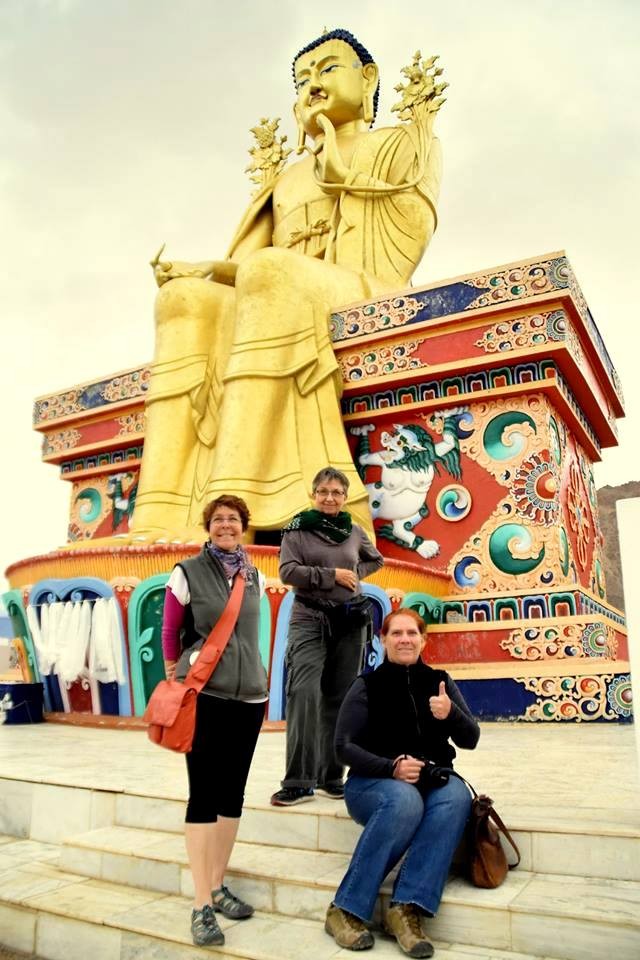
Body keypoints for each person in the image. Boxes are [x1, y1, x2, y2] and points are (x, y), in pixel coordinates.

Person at [129, 28, 444, 543]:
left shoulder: (402, 143)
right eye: (302, 79)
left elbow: (410, 235)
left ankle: (232, 505)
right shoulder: (288, 177)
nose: (312, 85)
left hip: (365, 284)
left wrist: (341, 176)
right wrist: (204, 270)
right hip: (281, 290)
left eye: (327, 70)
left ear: (368, 80)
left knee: (273, 272)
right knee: (181, 300)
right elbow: (249, 266)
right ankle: (160, 514)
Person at [325, 609, 480, 958]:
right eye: (397, 633)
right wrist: (390, 767)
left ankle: (406, 908)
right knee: (405, 800)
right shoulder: (367, 685)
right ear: (383, 639)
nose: (405, 639)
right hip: (373, 783)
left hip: (432, 778)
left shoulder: (439, 682)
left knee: (455, 796)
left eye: (412, 633)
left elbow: (471, 738)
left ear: (423, 640)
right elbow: (342, 746)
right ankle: (345, 909)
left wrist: (450, 713)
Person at [161, 495, 267, 947]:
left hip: (248, 696)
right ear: (208, 527)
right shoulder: (186, 572)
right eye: (218, 520)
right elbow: (170, 629)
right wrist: (175, 676)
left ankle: (219, 884)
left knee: (233, 794)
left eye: (234, 519)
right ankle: (201, 903)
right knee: (203, 794)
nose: (226, 525)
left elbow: (249, 634)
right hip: (205, 695)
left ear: (244, 526)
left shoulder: (255, 574)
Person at [270, 466, 383, 806]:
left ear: (345, 498)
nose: (330, 498)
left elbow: (375, 559)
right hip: (309, 619)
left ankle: (331, 775)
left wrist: (354, 575)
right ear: (314, 494)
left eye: (336, 492)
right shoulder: (298, 528)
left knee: (340, 698)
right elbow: (288, 571)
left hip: (349, 622)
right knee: (304, 693)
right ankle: (298, 780)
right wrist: (331, 575)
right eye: (323, 492)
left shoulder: (353, 530)